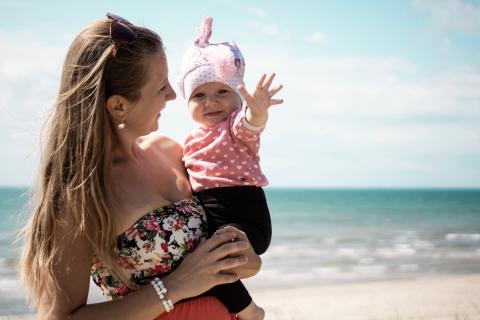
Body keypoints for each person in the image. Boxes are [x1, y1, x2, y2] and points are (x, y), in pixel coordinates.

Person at [19, 13, 262, 320]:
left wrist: (247, 258)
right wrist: (173, 287)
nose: (174, 96)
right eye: (161, 87)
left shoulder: (172, 152)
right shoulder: (82, 196)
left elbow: (237, 259)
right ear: (119, 105)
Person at [177, 16, 283, 320]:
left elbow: (251, 124)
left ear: (238, 96)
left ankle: (249, 311)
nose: (211, 102)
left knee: (216, 253)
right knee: (206, 266)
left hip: (245, 213)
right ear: (187, 102)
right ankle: (249, 311)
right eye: (199, 95)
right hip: (212, 215)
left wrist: (257, 110)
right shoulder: (189, 141)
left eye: (222, 92)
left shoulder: (234, 128)